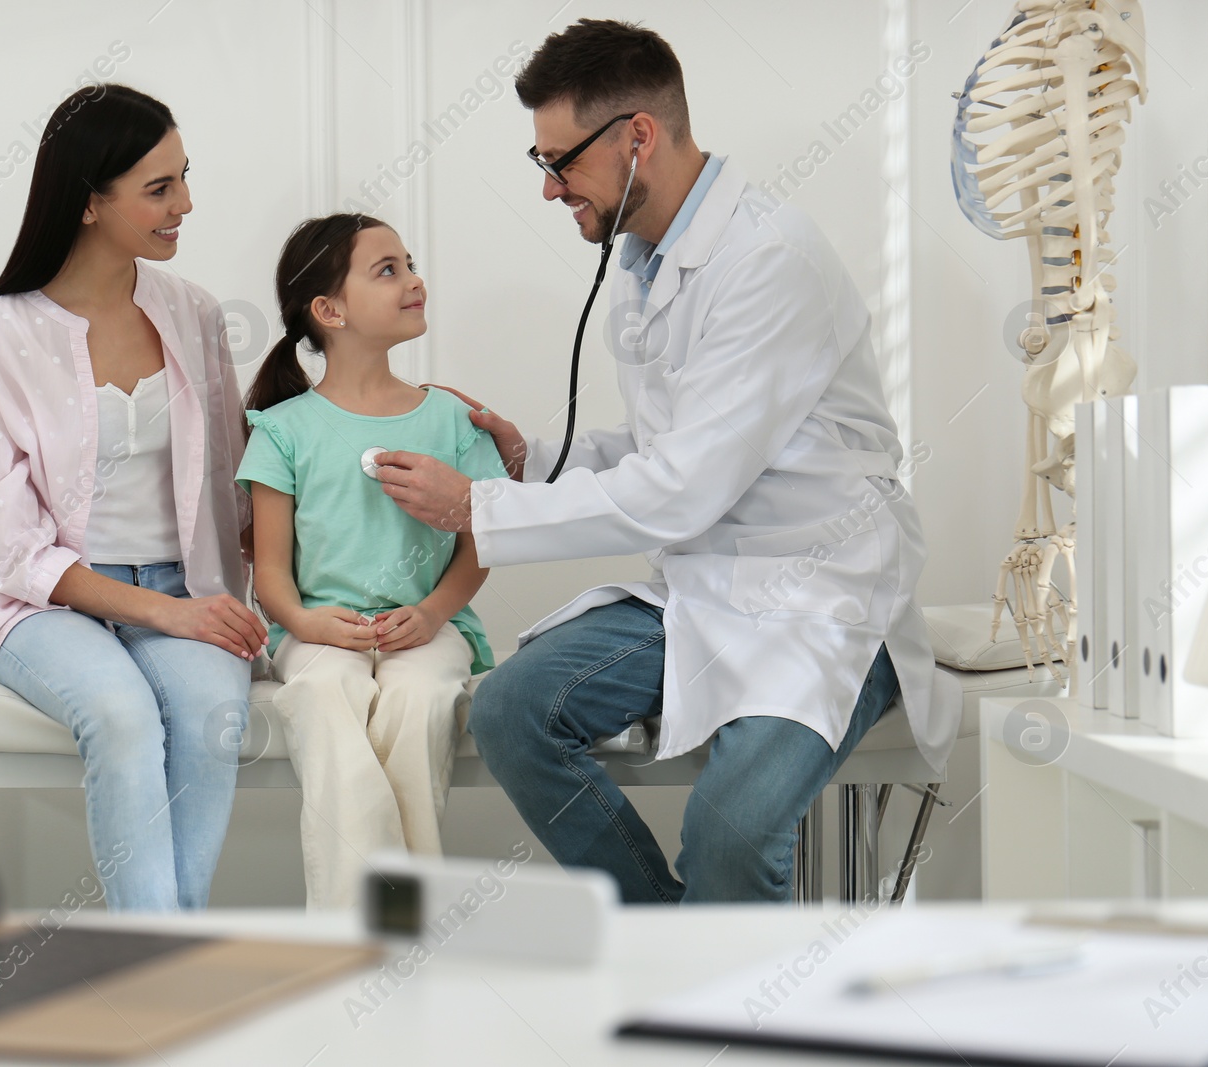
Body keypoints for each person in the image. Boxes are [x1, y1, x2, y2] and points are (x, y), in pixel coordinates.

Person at [373, 20, 956, 903]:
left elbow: (683, 488)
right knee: (510, 709)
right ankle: (666, 949)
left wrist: (479, 509)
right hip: (708, 583)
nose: (548, 189)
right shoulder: (646, 261)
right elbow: (668, 447)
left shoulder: (769, 260)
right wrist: (531, 461)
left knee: (729, 832)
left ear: (637, 137)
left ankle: (702, 1007)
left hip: (822, 598)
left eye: (557, 162)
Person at [0, 83, 268, 911]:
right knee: (121, 717)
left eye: (183, 177)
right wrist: (169, 615)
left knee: (207, 718)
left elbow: (233, 482)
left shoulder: (192, 312)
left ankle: (159, 958)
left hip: (182, 586)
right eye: (159, 189)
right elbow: (11, 550)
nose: (185, 204)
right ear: (90, 202)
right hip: (43, 605)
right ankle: (161, 967)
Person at [236, 214, 509, 909]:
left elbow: (478, 546)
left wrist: (430, 613)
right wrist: (307, 622)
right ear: (329, 310)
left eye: (410, 262)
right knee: (328, 694)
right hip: (319, 629)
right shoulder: (283, 430)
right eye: (387, 269)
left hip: (429, 623)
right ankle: (386, 918)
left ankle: (378, 921)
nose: (414, 279)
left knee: (417, 701)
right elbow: (270, 572)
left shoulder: (452, 420)